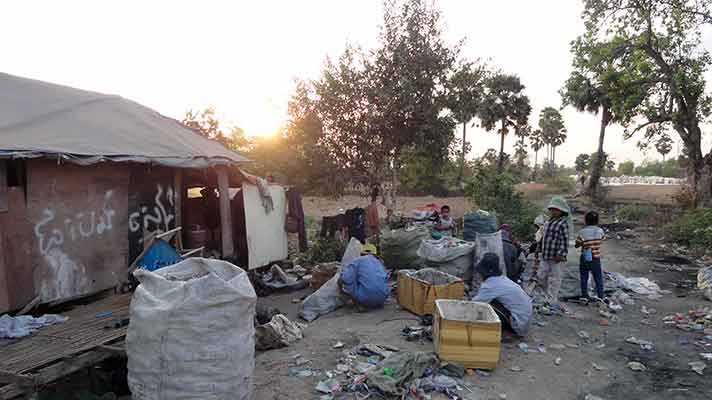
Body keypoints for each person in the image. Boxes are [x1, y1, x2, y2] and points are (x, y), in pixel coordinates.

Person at [472, 252, 533, 337]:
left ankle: (505, 330)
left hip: (518, 323)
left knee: (486, 306)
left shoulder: (490, 285)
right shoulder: (502, 279)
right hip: (524, 319)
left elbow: (474, 304)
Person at [537, 197, 570, 304]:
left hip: (557, 257)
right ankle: (545, 295)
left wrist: (560, 254)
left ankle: (551, 300)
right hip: (546, 254)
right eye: (552, 209)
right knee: (541, 275)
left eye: (556, 209)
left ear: (562, 211)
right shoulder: (548, 222)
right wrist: (539, 248)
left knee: (555, 279)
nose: (553, 211)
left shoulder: (563, 223)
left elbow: (564, 240)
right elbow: (544, 237)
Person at [338, 244, 390, 309]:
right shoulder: (379, 262)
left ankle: (360, 304)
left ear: (362, 253)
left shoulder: (358, 260)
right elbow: (385, 278)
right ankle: (377, 302)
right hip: (383, 297)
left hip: (366, 298)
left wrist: (339, 285)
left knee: (349, 282)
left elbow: (346, 278)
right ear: (375, 254)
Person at [575, 211, 606, 300]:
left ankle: (585, 295)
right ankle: (600, 295)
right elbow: (602, 239)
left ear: (585, 221)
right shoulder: (600, 231)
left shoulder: (582, 232)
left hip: (585, 257)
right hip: (595, 258)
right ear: (597, 221)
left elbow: (577, 245)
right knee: (598, 277)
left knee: (584, 277)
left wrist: (583, 243)